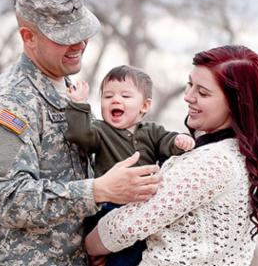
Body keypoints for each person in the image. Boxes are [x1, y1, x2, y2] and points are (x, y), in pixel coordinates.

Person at [0, 0, 159, 265]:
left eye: (81, 32)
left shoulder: (66, 91)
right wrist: (99, 190)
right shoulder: (8, 105)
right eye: (65, 36)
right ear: (28, 37)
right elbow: (5, 199)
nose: (79, 44)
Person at [84, 45, 258, 266]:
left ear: (235, 102)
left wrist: (88, 247)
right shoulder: (235, 154)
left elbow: (126, 225)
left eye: (203, 92)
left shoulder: (214, 161)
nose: (188, 97)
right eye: (190, 85)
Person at [64, 65, 195, 266]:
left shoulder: (151, 130)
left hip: (142, 208)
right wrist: (79, 105)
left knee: (139, 254)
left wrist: (179, 140)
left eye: (125, 96)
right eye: (108, 97)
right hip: (108, 207)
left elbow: (166, 142)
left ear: (144, 105)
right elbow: (80, 136)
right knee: (117, 259)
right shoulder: (100, 131)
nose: (115, 100)